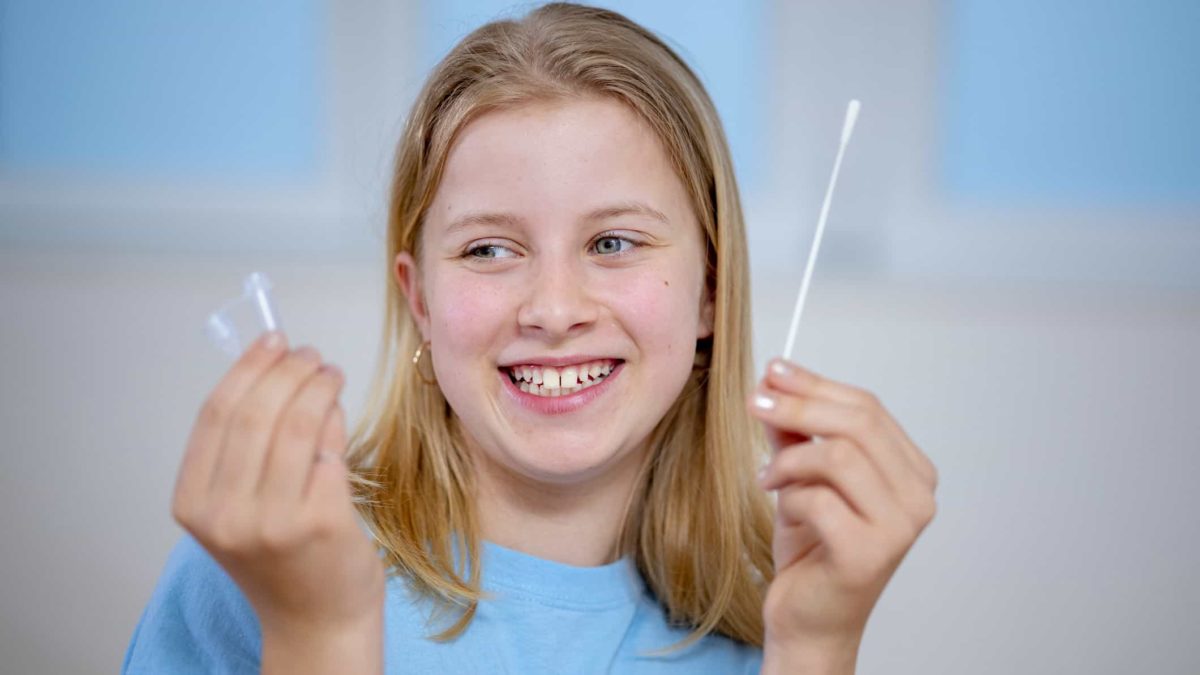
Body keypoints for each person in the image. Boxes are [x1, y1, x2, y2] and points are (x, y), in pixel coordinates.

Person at [123, 3, 938, 673]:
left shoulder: (770, 631)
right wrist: (317, 637)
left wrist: (820, 646)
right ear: (422, 303)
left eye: (612, 242)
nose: (553, 309)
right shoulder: (266, 573)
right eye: (490, 249)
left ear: (710, 294)